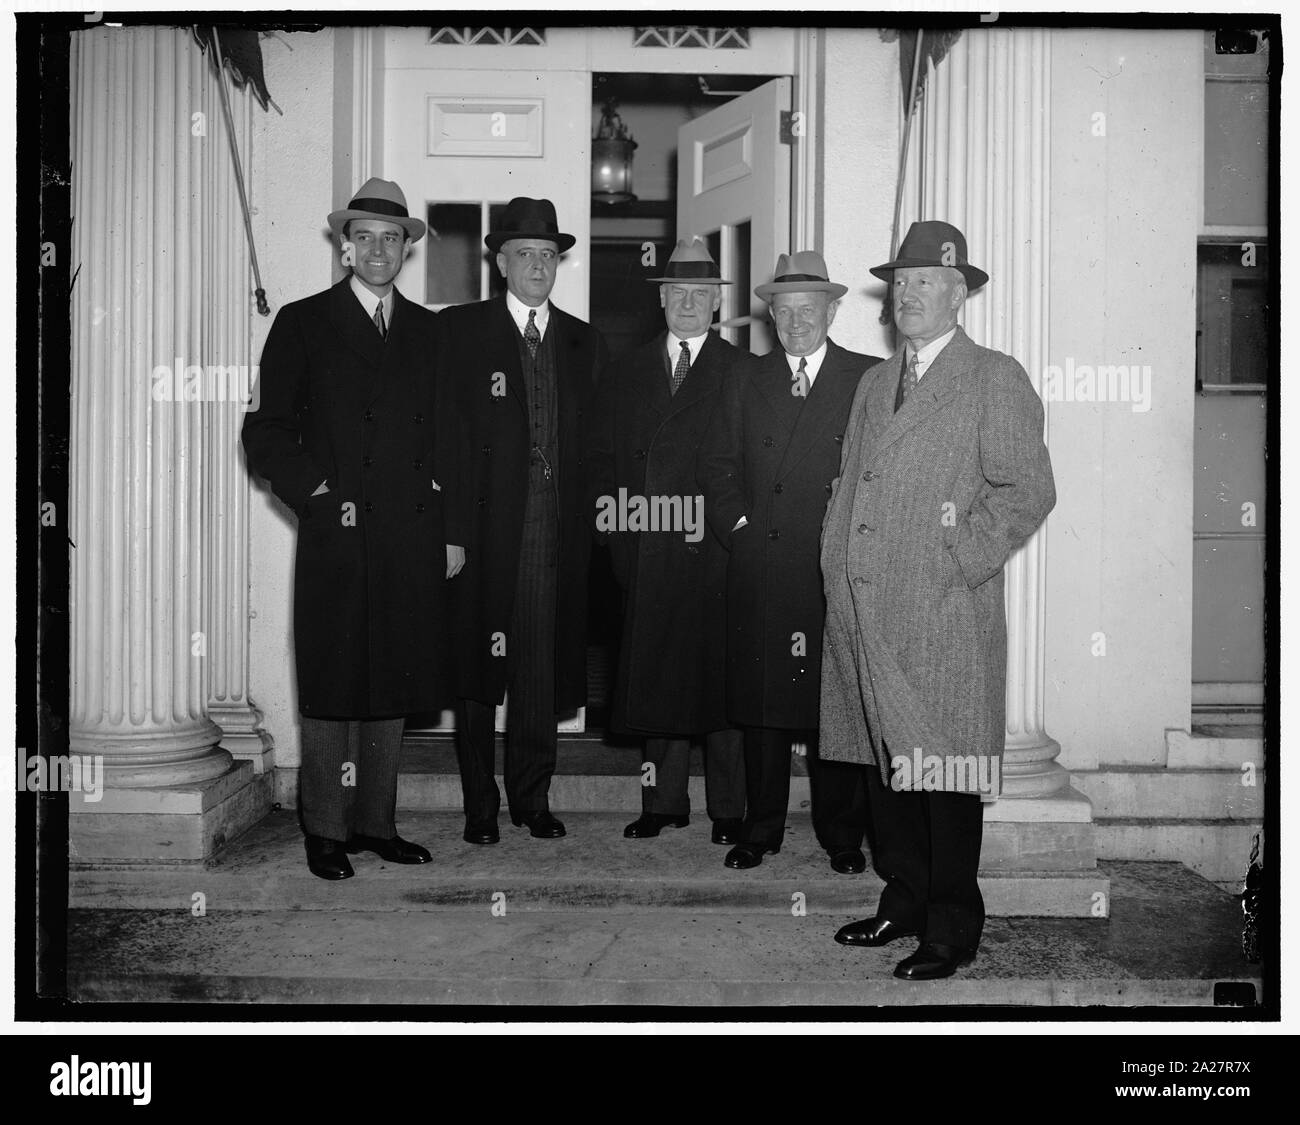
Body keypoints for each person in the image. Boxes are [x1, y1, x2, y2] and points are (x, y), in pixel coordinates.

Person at [820, 220, 1056, 979]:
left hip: (944, 614)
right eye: (902, 282)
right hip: (864, 608)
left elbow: (1027, 491)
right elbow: (852, 480)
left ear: (960, 294)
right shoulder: (872, 381)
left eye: (927, 281)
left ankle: (951, 925)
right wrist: (835, 557)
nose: (909, 294)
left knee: (945, 774)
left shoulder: (993, 375)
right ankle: (905, 899)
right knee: (887, 767)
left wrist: (957, 560)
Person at [242, 177, 467, 880]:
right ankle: (325, 829)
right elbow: (268, 429)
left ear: (406, 250)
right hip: (336, 532)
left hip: (410, 534)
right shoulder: (303, 322)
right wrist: (315, 490)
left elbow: (456, 438)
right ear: (346, 246)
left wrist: (452, 530)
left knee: (393, 676)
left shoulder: (433, 331)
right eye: (364, 236)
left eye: (391, 238)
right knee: (334, 678)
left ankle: (376, 823)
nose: (377, 249)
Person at [699, 252, 881, 872]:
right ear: (770, 317)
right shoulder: (744, 379)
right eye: (784, 311)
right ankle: (762, 827)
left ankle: (841, 834)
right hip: (764, 567)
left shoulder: (868, 378)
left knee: (836, 706)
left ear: (832, 311)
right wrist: (743, 529)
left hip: (834, 568)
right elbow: (717, 469)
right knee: (764, 707)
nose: (796, 322)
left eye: (809, 310)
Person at [435, 198, 609, 844]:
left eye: (548, 255)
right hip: (482, 534)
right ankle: (480, 806)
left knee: (537, 665)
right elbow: (447, 437)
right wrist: (450, 530)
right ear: (500, 260)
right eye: (524, 254)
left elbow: (597, 445)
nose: (537, 265)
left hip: (552, 533)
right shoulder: (460, 331)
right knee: (480, 675)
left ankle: (532, 798)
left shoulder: (583, 341)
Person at [587, 237, 745, 845]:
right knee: (657, 680)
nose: (687, 302)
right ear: (662, 302)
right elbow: (600, 460)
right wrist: (614, 534)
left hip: (715, 552)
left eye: (700, 294)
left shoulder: (741, 370)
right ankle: (663, 802)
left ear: (715, 305)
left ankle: (728, 809)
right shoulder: (626, 371)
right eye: (677, 292)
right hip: (646, 545)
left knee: (722, 686)